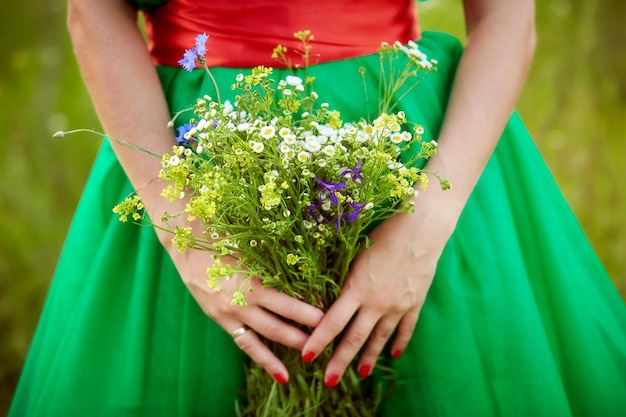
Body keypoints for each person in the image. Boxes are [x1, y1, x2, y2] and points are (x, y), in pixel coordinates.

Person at [9, 0, 626, 415]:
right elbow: (94, 13)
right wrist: (190, 235)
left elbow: (506, 17)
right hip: (191, 153)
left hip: (415, 156)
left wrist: (424, 228)